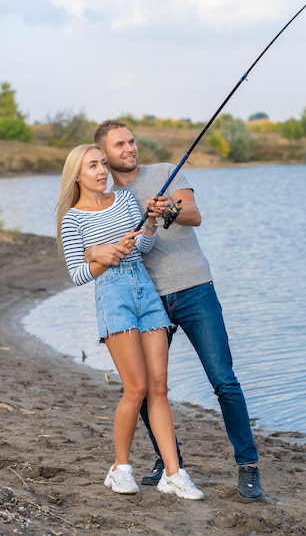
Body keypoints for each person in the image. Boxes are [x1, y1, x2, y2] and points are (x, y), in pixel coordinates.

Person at [88, 121, 263, 502]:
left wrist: (168, 210)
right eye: (119, 145)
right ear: (103, 154)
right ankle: (170, 463)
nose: (129, 148)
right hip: (149, 302)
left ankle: (248, 466)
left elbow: (194, 214)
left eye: (131, 141)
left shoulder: (166, 173)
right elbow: (90, 244)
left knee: (224, 380)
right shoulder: (109, 197)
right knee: (151, 389)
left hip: (195, 288)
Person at [56, 144, 204, 500]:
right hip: (113, 296)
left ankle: (174, 473)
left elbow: (145, 249)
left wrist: (150, 223)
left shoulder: (123, 200)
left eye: (103, 164)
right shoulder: (72, 219)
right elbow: (77, 274)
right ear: (77, 174)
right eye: (93, 165)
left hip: (146, 292)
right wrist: (103, 255)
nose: (101, 170)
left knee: (159, 387)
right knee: (136, 388)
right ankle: (120, 468)